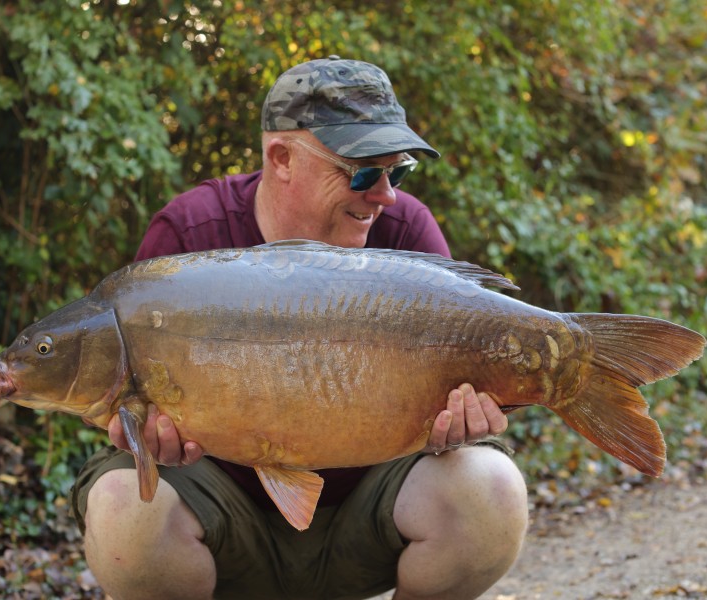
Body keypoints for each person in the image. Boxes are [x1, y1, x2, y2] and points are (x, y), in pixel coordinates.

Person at [69, 56, 529, 600]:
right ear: (282, 158)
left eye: (396, 172)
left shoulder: (406, 231)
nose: (385, 195)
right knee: (125, 507)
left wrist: (465, 419)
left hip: (369, 517)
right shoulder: (192, 235)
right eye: (361, 172)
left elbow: (469, 374)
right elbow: (133, 412)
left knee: (491, 490)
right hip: (225, 525)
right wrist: (144, 438)